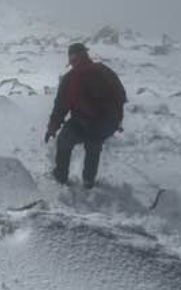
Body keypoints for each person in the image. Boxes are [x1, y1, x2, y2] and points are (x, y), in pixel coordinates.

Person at [45, 43, 127, 188]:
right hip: (105, 123)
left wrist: (52, 128)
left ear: (71, 58)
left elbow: (61, 106)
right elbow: (121, 96)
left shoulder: (71, 78)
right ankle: (88, 182)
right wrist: (117, 120)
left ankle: (60, 178)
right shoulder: (104, 71)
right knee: (93, 148)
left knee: (65, 141)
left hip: (84, 121)